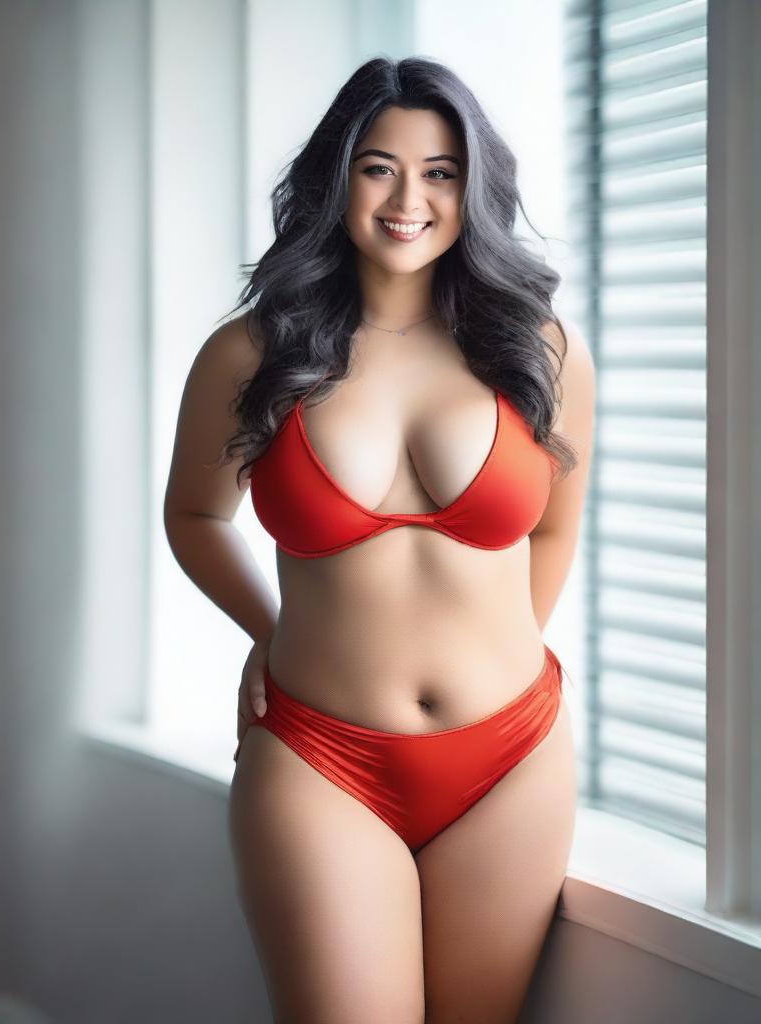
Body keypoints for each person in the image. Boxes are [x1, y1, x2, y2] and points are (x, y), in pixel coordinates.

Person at [163, 55, 595, 1024]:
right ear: (337, 177)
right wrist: (265, 628)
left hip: (510, 760)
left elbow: (558, 521)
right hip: (321, 759)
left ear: (472, 189)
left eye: (441, 171)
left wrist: (492, 652)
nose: (410, 197)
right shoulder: (249, 353)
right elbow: (193, 515)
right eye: (379, 167)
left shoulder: (542, 351)